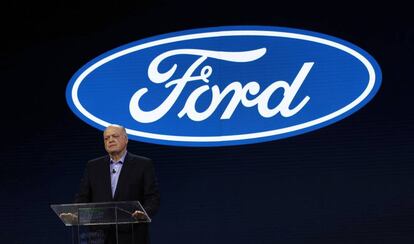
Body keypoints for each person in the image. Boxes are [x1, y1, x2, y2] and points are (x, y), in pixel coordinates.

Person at [73, 124, 160, 244]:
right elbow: (83, 196)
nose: (110, 140)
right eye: (106, 138)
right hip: (99, 236)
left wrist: (144, 213)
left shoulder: (143, 164)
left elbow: (152, 197)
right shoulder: (93, 166)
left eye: (115, 136)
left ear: (126, 139)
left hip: (132, 235)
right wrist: (76, 213)